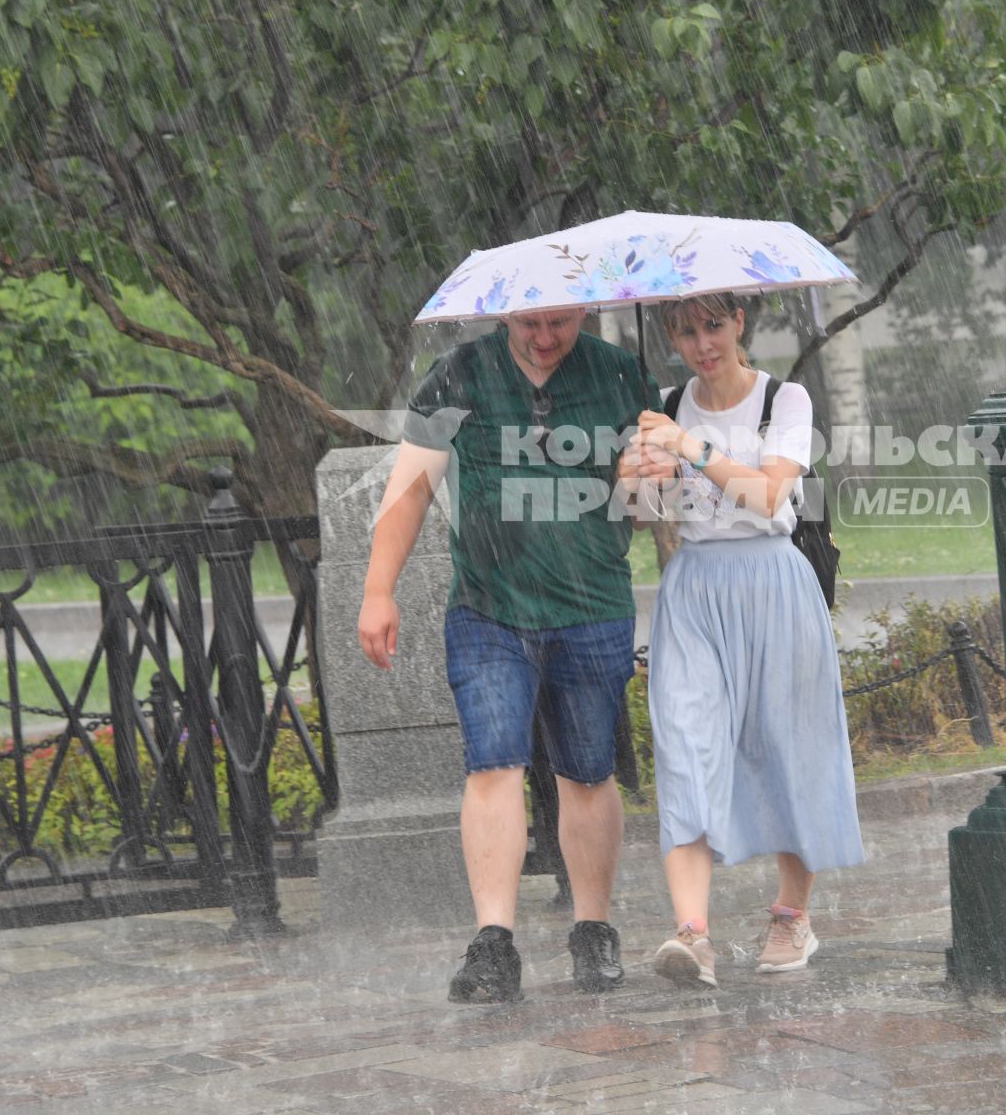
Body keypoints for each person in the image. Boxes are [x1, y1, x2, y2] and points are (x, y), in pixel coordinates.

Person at [358, 307, 661, 1003]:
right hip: (488, 609)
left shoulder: (624, 376)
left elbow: (646, 514)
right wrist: (379, 590)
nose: (546, 336)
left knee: (588, 770)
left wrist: (648, 476)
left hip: (592, 606)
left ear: (583, 312)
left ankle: (594, 929)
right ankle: (493, 941)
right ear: (504, 314)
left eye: (560, 322)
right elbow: (409, 489)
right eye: (531, 323)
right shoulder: (458, 375)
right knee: (491, 760)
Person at [624, 293, 864, 989]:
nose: (702, 343)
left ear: (739, 325)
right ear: (670, 334)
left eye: (714, 326)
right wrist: (643, 477)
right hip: (695, 591)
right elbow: (645, 519)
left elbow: (767, 497)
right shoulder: (665, 405)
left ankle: (792, 916)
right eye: (686, 330)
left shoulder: (782, 401)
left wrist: (691, 448)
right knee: (685, 742)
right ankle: (692, 934)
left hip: (774, 587)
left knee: (791, 747)